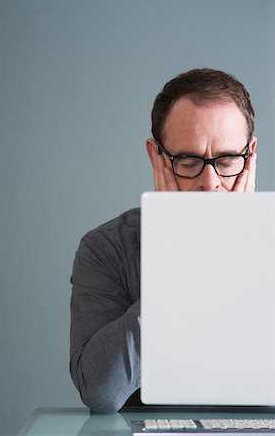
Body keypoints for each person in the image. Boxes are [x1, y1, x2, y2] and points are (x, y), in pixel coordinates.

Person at [70, 68, 257, 413]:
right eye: (188, 161)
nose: (210, 181)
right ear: (157, 158)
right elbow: (101, 393)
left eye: (228, 160)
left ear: (250, 155)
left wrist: (240, 245)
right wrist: (181, 262)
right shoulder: (105, 248)